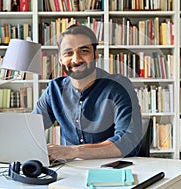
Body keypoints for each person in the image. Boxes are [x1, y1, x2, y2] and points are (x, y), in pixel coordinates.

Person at [32, 24, 143, 161]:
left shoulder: (118, 87)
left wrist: (74, 152)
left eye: (84, 51)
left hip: (112, 170)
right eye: (68, 53)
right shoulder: (54, 90)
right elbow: (30, 131)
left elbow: (129, 142)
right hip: (70, 171)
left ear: (96, 55)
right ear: (60, 59)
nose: (76, 59)